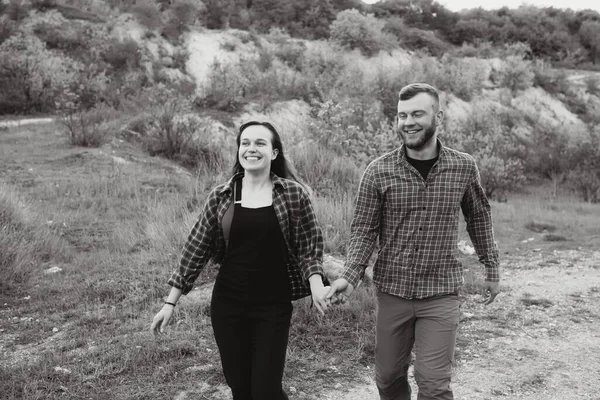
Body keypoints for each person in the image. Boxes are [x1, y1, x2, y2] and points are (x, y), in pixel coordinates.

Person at [327, 83, 500, 400]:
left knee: (434, 385)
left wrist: (491, 267)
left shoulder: (462, 167)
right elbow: (364, 229)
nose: (408, 121)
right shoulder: (378, 171)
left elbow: (479, 216)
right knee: (388, 379)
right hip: (394, 291)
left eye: (417, 113)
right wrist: (349, 277)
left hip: (441, 292)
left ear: (439, 116)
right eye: (402, 115)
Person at [151, 121, 331, 400]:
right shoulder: (221, 197)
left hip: (273, 306)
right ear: (238, 150)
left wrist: (317, 284)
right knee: (241, 389)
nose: (251, 148)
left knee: (266, 390)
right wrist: (169, 303)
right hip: (228, 306)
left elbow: (309, 246)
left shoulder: (293, 194)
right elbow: (195, 249)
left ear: (274, 153)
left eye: (260, 143)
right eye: (245, 143)